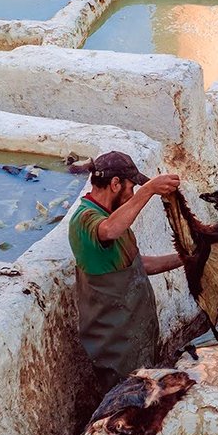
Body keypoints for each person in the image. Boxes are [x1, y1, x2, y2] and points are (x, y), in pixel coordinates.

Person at [67, 152, 183, 392]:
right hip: (115, 349)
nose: (131, 193)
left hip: (135, 341)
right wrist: (147, 190)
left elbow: (139, 266)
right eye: (130, 187)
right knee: (123, 408)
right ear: (115, 184)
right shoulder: (85, 219)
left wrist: (186, 257)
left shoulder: (111, 218)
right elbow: (109, 230)